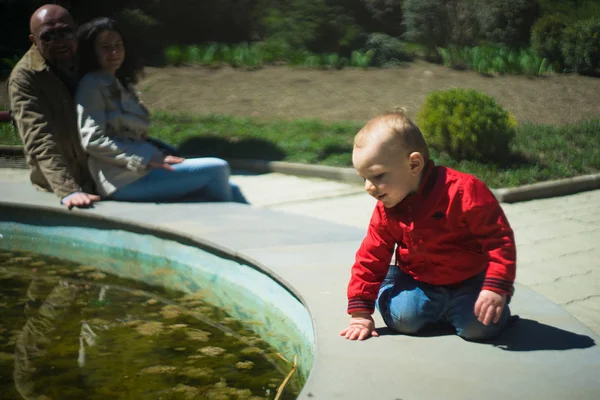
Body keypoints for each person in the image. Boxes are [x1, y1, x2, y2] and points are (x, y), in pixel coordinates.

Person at [340, 112, 516, 341]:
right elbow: (371, 256)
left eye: (377, 176)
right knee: (403, 321)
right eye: (363, 178)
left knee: (482, 329)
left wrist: (495, 287)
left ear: (414, 164)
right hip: (420, 280)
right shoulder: (388, 209)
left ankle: (460, 309)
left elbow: (499, 240)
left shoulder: (463, 191)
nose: (369, 187)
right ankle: (392, 281)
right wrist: (361, 312)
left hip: (470, 279)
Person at [75, 18, 245, 203]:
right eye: (105, 47)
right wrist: (144, 158)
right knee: (218, 169)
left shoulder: (120, 83)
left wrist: (159, 151)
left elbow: (131, 134)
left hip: (141, 172)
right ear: (92, 52)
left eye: (118, 45)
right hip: (123, 180)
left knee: (231, 186)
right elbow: (92, 139)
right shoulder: (92, 84)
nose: (114, 52)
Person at [8, 4, 99, 209]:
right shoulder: (25, 78)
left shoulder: (91, 57)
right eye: (48, 36)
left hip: (103, 171)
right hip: (62, 178)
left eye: (65, 31)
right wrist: (69, 190)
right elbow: (38, 139)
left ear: (76, 29)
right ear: (34, 40)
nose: (60, 41)